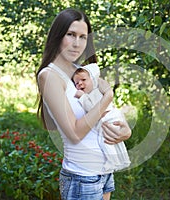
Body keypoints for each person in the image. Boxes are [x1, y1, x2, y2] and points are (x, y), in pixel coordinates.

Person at [35, 8, 131, 200]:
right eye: (71, 35)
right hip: (82, 176)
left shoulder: (83, 72)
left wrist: (125, 130)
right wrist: (107, 98)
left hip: (104, 171)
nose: (77, 44)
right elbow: (75, 133)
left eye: (83, 37)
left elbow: (108, 111)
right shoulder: (50, 75)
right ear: (58, 36)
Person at [72, 63, 131, 172]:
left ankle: (113, 162)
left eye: (83, 80)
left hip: (109, 117)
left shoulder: (95, 92)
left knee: (105, 140)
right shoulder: (95, 92)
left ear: (93, 80)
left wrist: (82, 97)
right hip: (111, 116)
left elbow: (92, 109)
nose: (80, 84)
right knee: (113, 141)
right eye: (76, 83)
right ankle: (122, 159)